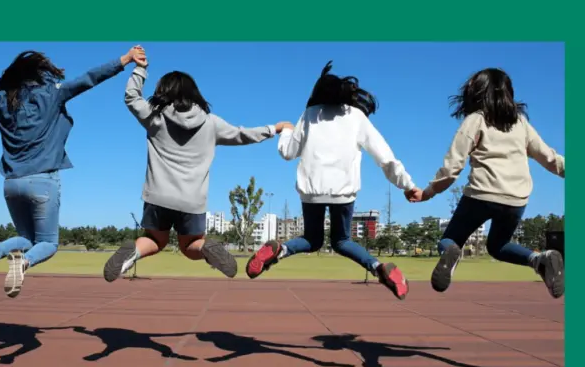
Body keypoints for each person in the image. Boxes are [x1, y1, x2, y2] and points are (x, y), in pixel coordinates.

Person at [0, 46, 144, 298]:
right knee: (48, 243)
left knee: (26, 238)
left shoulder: (1, 101)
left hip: (10, 183)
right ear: (40, 74)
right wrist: (124, 60)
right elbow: (89, 78)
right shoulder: (51, 94)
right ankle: (23, 263)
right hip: (42, 181)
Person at [103, 47, 290, 281]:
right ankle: (206, 249)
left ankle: (133, 252)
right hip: (192, 200)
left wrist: (139, 69)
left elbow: (131, 97)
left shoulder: (155, 117)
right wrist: (274, 129)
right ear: (195, 94)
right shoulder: (211, 123)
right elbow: (243, 135)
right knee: (191, 245)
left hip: (157, 196)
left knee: (154, 240)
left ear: (163, 92)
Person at [245, 61, 418, 300]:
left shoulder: (309, 115)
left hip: (311, 191)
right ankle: (379, 268)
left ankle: (279, 250)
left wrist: (285, 130)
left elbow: (287, 153)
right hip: (343, 193)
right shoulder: (356, 117)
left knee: (311, 239)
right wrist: (407, 185)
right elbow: (385, 157)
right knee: (342, 240)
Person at [407, 68, 565, 298]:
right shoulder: (520, 124)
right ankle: (540, 259)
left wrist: (428, 193)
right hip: (515, 200)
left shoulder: (476, 120)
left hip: (480, 195)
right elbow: (550, 159)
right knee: (498, 246)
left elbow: (452, 168)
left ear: (476, 93)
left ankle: (452, 252)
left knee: (450, 239)